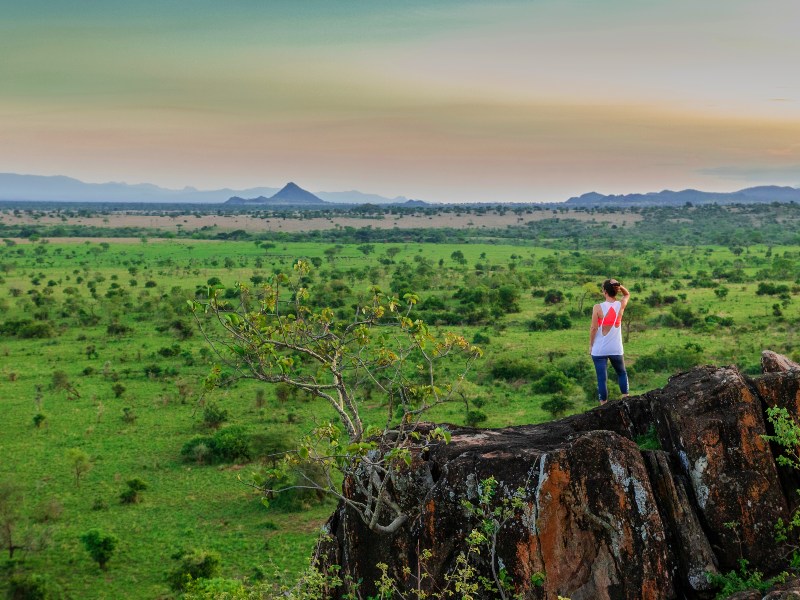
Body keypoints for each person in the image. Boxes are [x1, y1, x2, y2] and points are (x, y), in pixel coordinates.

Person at [589, 279, 630, 405]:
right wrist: (618, 286)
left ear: (604, 291)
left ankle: (603, 405)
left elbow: (594, 328)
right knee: (621, 373)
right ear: (616, 290)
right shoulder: (620, 304)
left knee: (601, 378)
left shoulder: (597, 307)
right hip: (616, 348)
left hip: (599, 349)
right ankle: (626, 399)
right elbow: (627, 294)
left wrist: (591, 345)